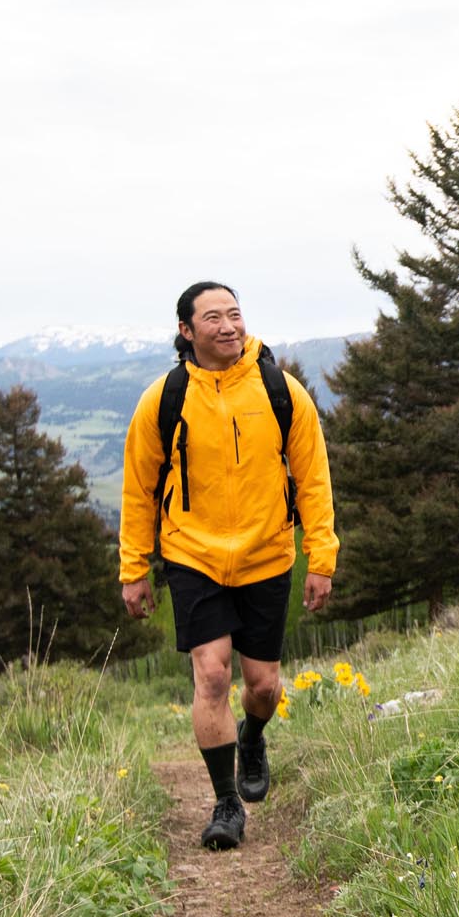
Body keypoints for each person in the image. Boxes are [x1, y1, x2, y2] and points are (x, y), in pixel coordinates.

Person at [119, 281, 338, 850]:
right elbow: (139, 490)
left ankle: (253, 734)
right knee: (212, 675)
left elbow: (313, 478)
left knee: (262, 686)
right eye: (212, 317)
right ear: (186, 330)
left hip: (267, 555)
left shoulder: (280, 391)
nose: (228, 326)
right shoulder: (163, 399)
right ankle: (225, 803)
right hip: (192, 555)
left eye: (234, 314)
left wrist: (322, 557)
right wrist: (133, 568)